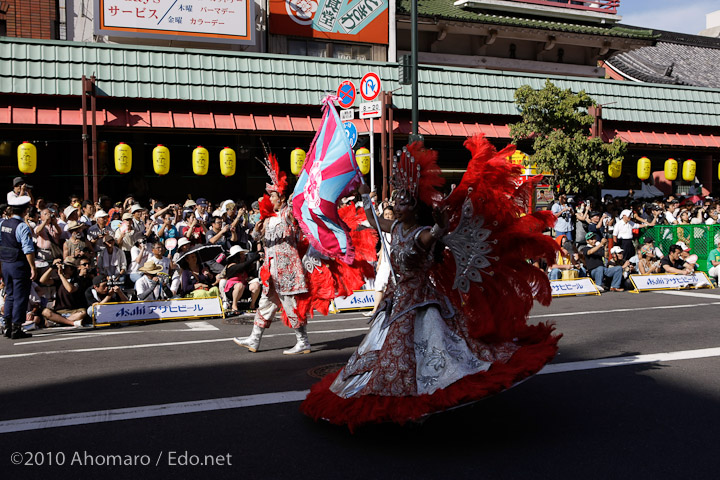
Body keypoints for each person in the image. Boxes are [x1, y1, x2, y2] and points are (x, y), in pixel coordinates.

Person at [300, 136, 560, 430]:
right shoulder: (396, 226)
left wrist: (440, 227)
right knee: (384, 350)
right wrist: (363, 194)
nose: (397, 207)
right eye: (396, 203)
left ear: (414, 207)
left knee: (418, 354)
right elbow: (375, 220)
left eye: (404, 203)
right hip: (397, 300)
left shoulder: (421, 234)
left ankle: (417, 400)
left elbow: (432, 237)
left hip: (421, 302)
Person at [233, 154, 311, 355]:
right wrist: (258, 227)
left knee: (290, 305)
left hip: (287, 269)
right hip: (271, 269)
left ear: (281, 198)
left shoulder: (287, 213)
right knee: (265, 303)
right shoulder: (268, 218)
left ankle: (303, 341)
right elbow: (256, 236)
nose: (269, 198)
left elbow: (296, 208)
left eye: (273, 195)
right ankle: (254, 339)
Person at [0, 195, 37, 339]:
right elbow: (28, 249)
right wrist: (33, 267)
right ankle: (16, 328)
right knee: (20, 296)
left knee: (10, 294)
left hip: (6, 264)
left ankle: (7, 326)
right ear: (25, 210)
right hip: (19, 265)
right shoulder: (22, 226)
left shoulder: (3, 223)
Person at [38, 257, 91, 327]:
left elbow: (70, 289)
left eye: (66, 267)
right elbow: (42, 281)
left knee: (83, 313)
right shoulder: (59, 281)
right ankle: (70, 322)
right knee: (45, 312)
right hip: (59, 311)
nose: (64, 268)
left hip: (73, 310)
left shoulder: (78, 280)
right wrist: (52, 267)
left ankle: (59, 321)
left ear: (72, 269)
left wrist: (61, 275)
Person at [222, 244, 261, 315]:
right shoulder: (231, 266)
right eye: (242, 254)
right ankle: (234, 306)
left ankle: (252, 305)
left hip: (243, 288)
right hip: (232, 290)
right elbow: (242, 266)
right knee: (239, 285)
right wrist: (254, 258)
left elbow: (251, 274)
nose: (244, 256)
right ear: (237, 256)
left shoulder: (244, 265)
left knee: (256, 285)